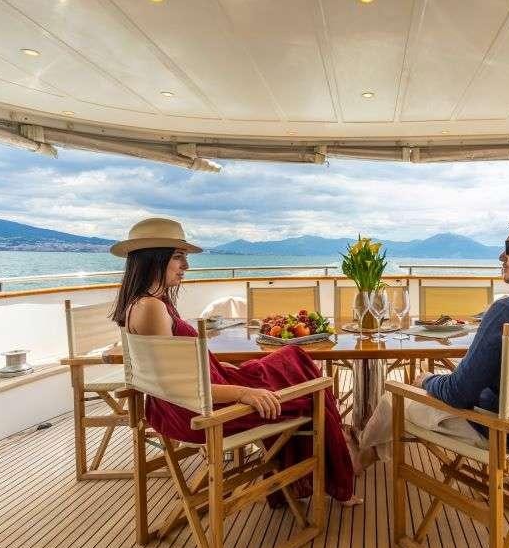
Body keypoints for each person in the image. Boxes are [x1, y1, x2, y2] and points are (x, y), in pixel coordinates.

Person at [109, 217, 358, 506]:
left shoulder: (148, 303)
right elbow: (174, 387)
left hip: (203, 393)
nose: (186, 265)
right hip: (199, 411)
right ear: (154, 258)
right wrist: (244, 393)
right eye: (178, 257)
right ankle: (334, 472)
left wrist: (219, 367)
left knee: (293, 356)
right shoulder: (151, 307)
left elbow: (180, 372)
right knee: (313, 387)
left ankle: (310, 476)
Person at [354, 215, 509, 470]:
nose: (502, 256)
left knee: (390, 399)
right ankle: (368, 451)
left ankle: (359, 457)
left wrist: (426, 380)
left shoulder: (508, 311)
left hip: (496, 428)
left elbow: (457, 394)